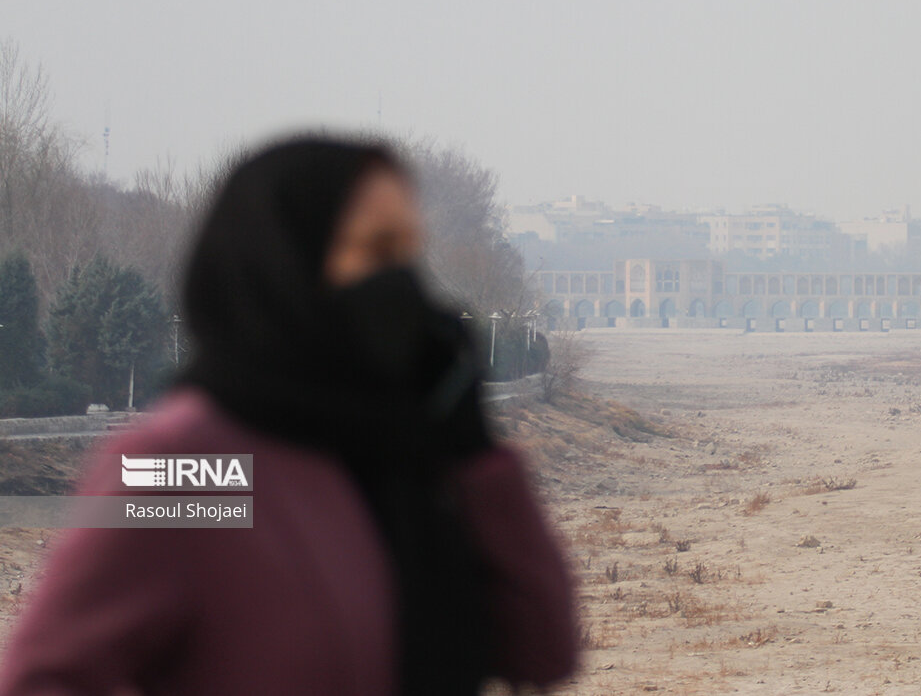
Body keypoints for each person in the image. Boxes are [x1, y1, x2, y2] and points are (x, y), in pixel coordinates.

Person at [0, 135, 577, 695]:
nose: (401, 283)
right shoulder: (193, 465)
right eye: (375, 252)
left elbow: (544, 650)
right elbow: (47, 677)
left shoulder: (394, 451)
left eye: (406, 253)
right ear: (285, 261)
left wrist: (474, 451)